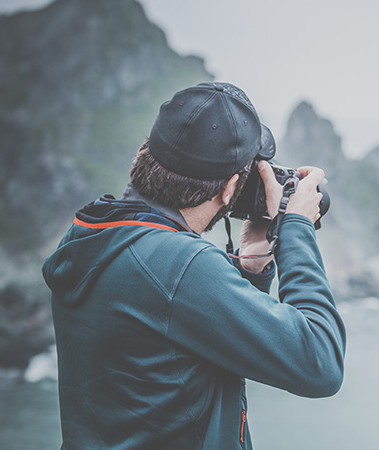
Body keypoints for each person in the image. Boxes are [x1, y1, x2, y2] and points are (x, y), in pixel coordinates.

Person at [42, 82, 346, 450]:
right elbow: (320, 364)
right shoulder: (180, 266)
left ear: (147, 153)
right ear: (230, 187)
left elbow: (186, 338)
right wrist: (295, 227)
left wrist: (251, 263)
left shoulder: (93, 234)